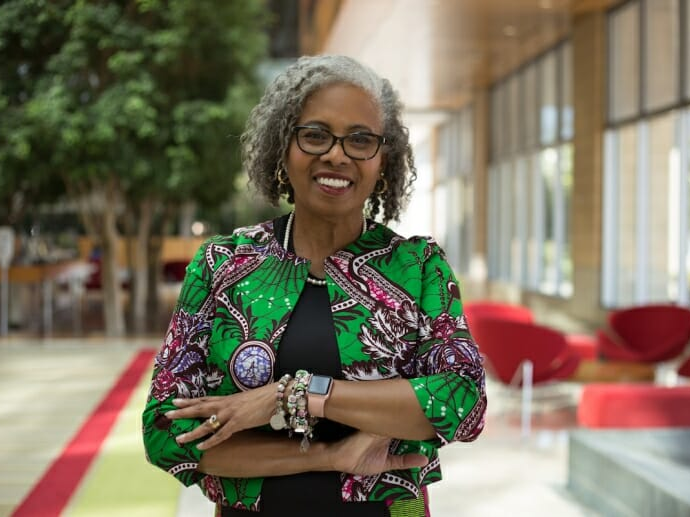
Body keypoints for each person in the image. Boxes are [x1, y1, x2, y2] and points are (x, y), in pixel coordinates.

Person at [142, 54, 487, 516]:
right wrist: (330, 455)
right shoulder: (224, 263)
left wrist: (291, 396)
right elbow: (166, 432)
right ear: (283, 150)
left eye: (360, 139)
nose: (336, 154)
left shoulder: (418, 267)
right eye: (315, 135)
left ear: (383, 163)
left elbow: (462, 403)